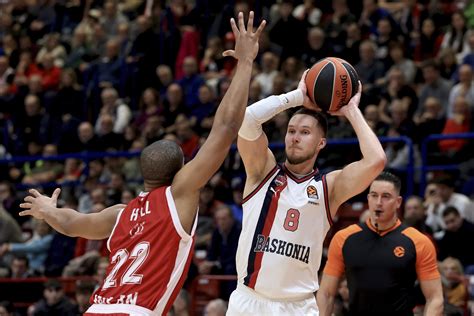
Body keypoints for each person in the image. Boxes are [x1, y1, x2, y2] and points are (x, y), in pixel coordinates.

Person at [19, 12, 266, 316]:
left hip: (96, 309)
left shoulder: (121, 215)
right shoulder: (180, 194)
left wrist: (48, 211)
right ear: (181, 170)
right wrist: (245, 63)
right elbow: (226, 126)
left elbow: (71, 224)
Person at [227, 72, 386, 314]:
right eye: (291, 131)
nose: (295, 138)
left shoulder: (329, 187)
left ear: (321, 143)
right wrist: (297, 97)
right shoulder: (262, 171)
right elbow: (247, 120)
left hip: (298, 307)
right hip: (250, 300)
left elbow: (376, 160)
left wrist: (351, 110)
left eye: (304, 132)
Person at [317, 172, 443, 316]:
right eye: (374, 195)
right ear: (368, 199)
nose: (378, 202)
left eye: (386, 196)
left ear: (398, 202)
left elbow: (435, 298)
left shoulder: (418, 241)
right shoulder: (344, 238)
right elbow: (326, 293)